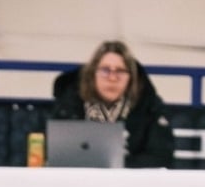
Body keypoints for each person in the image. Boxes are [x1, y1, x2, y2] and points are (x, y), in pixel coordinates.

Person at [50, 40, 174, 169]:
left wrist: (115, 167)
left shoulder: (149, 106)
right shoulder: (70, 102)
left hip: (131, 180)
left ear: (131, 78)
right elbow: (55, 153)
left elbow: (161, 157)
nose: (112, 78)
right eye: (105, 70)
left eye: (120, 71)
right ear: (92, 74)